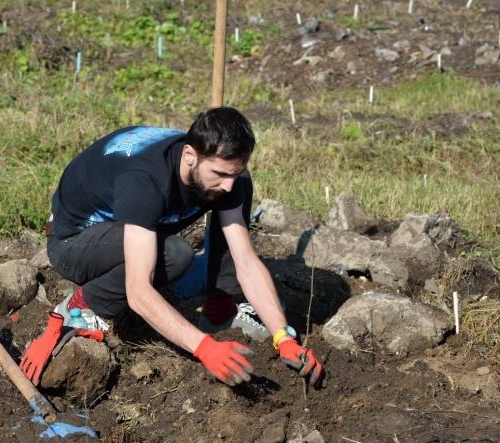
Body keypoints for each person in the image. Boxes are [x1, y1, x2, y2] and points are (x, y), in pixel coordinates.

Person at [45, 107, 325, 387]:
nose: (227, 185)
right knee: (175, 254)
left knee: (242, 184)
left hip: (126, 224)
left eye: (231, 173)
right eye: (219, 173)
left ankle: (220, 309)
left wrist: (283, 337)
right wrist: (204, 348)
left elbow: (247, 263)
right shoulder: (146, 181)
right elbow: (138, 291)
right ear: (189, 156)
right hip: (73, 241)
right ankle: (82, 304)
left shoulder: (215, 172)